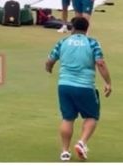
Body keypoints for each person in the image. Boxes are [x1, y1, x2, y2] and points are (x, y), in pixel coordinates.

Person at [45, 17, 112, 161]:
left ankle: (65, 151)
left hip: (64, 85)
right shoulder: (92, 43)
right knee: (91, 116)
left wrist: (49, 68)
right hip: (85, 86)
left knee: (67, 118)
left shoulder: (63, 42)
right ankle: (81, 142)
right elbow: (100, 63)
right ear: (86, 29)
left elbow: (50, 60)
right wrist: (108, 82)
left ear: (72, 28)